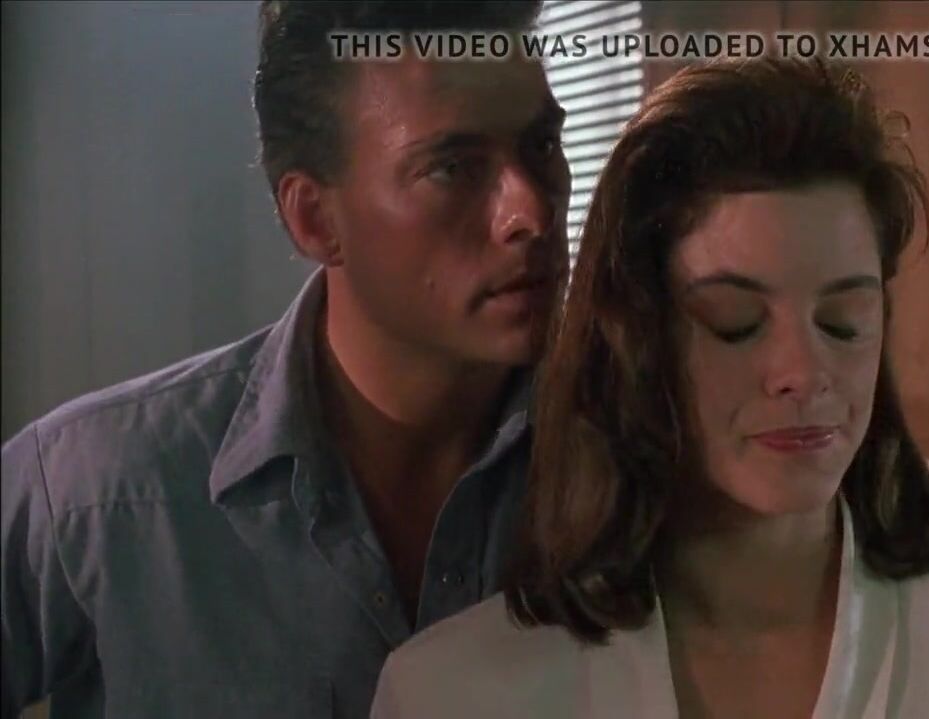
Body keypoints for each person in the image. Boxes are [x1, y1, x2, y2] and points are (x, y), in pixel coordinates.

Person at [370, 56, 929, 718]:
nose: (804, 373)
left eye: (843, 323)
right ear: (639, 344)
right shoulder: (458, 692)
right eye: (735, 324)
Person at [0, 2, 568, 717]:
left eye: (542, 146)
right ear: (314, 219)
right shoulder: (100, 491)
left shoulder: (634, 463)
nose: (531, 212)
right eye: (453, 167)